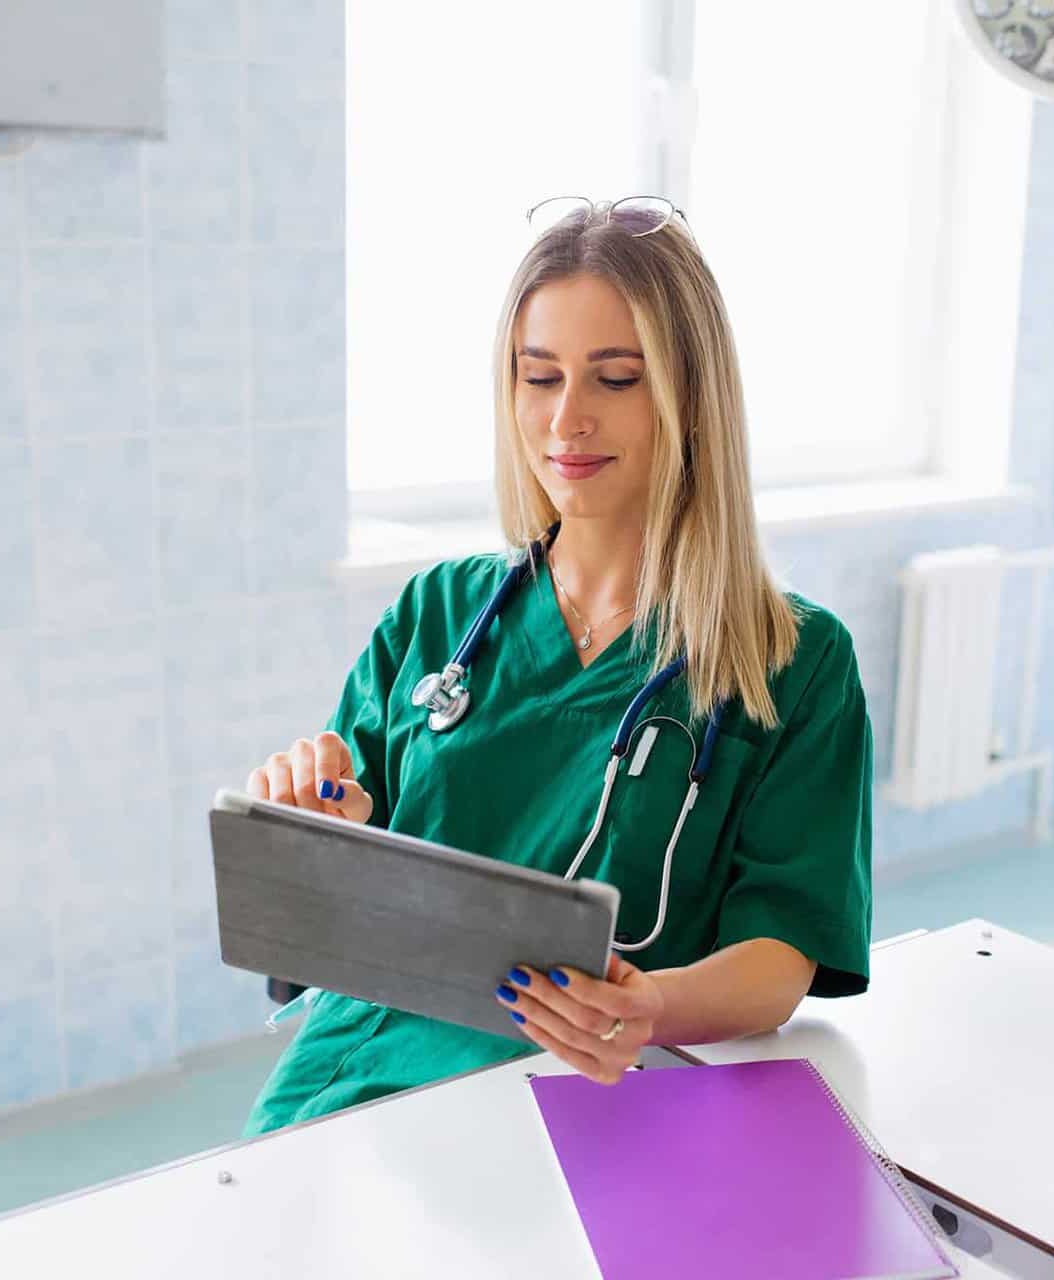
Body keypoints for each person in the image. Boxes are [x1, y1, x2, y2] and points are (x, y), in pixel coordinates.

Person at [240, 197, 874, 1135]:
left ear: (691, 397)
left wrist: (650, 1006)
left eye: (616, 379)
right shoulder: (440, 614)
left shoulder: (790, 660)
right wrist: (311, 817)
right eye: (539, 378)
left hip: (591, 1089)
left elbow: (780, 957)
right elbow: (333, 892)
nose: (566, 421)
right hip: (356, 1073)